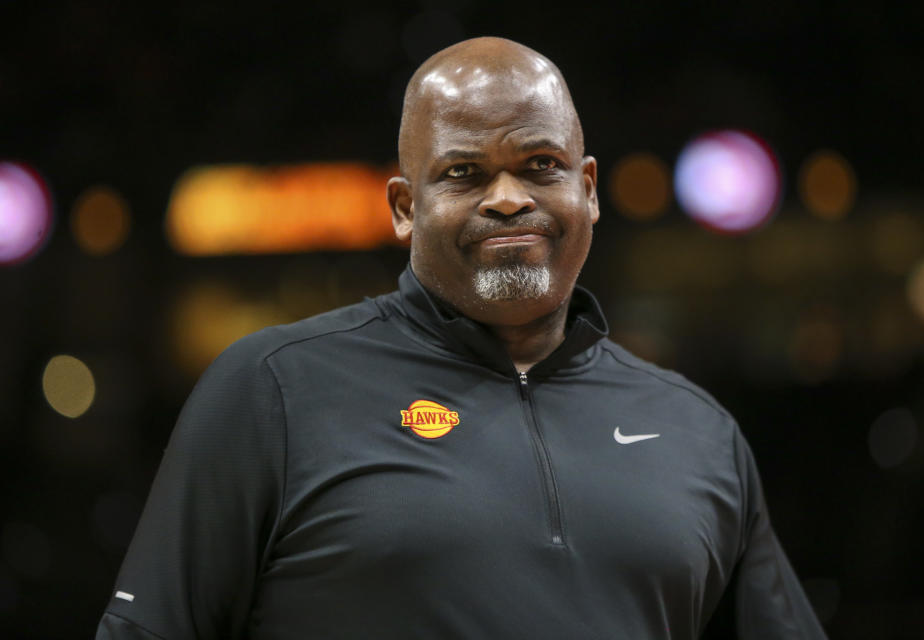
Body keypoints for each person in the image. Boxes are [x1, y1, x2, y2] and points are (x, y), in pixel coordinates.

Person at [96, 37, 827, 639]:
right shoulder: (274, 388)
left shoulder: (697, 431)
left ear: (590, 189)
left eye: (541, 165)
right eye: (464, 172)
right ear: (405, 208)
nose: (508, 198)